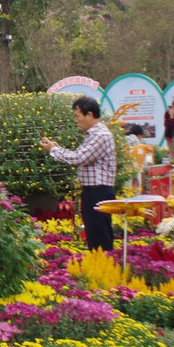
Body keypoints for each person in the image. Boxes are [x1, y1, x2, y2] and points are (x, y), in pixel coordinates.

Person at [40, 96, 117, 252]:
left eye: (77, 116)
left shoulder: (101, 135)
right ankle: (99, 269)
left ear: (89, 115)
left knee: (100, 237)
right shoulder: (94, 134)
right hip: (93, 193)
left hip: (99, 193)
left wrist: (54, 150)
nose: (76, 120)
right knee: (94, 236)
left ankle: (106, 270)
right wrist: (57, 148)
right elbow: (81, 155)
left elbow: (79, 158)